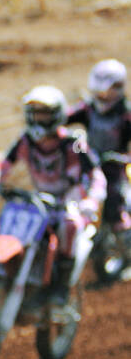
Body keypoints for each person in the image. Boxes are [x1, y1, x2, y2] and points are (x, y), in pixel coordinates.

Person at [0, 85, 106, 307]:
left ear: (57, 115)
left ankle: (60, 288)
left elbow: (96, 175)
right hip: (39, 200)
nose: (39, 120)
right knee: (10, 225)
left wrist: (92, 200)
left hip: (70, 199)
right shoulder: (26, 140)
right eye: (35, 114)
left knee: (69, 225)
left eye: (44, 114)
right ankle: (13, 276)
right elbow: (5, 163)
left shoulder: (73, 142)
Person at [66, 59, 131, 233]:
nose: (102, 98)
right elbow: (65, 118)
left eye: (106, 93)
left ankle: (120, 228)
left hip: (115, 165)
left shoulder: (126, 114)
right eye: (99, 93)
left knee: (113, 195)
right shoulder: (89, 108)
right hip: (89, 159)